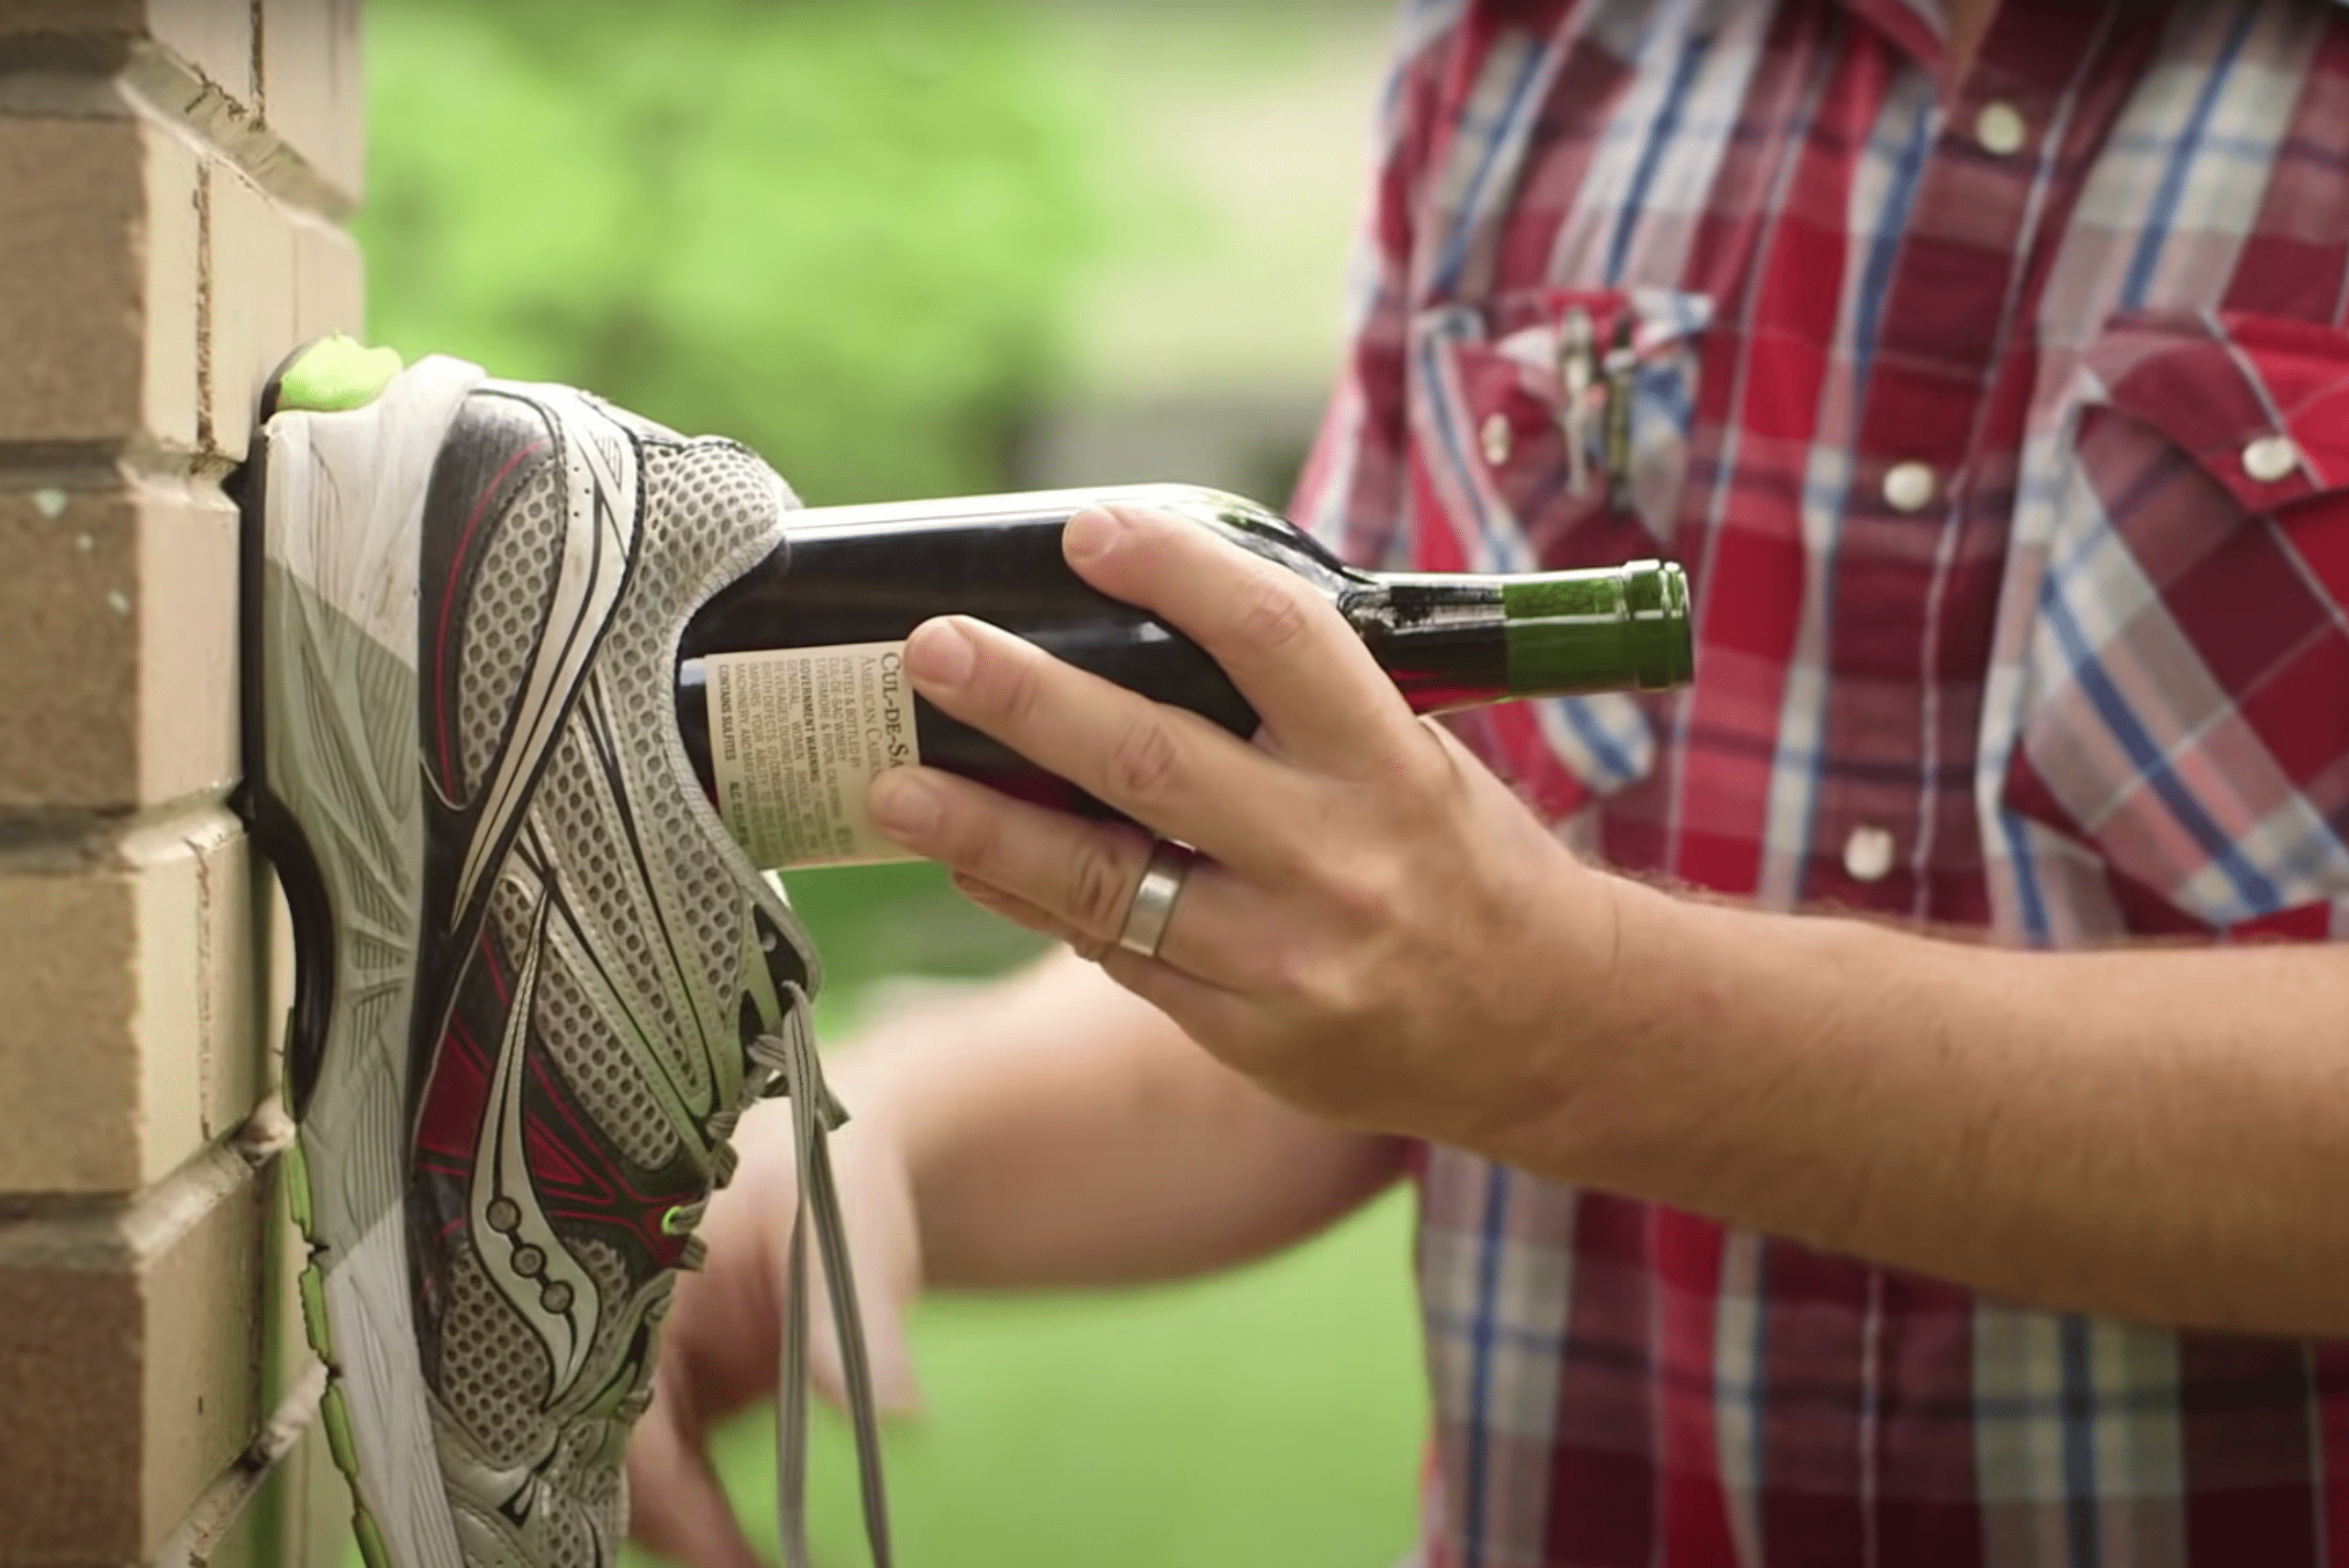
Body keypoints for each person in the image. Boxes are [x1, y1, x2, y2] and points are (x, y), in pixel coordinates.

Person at [629, 0, 2349, 1563]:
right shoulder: (1525, 55)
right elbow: (1392, 962)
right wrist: (853, 1145)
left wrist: (1591, 1024)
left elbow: (1510, 996)